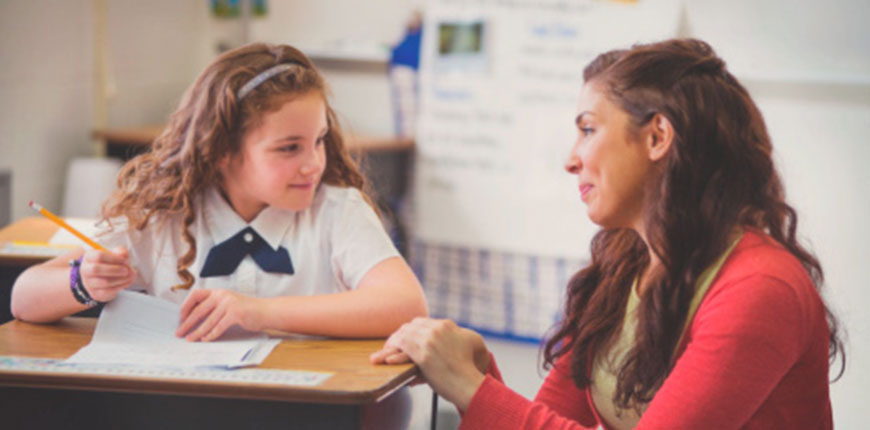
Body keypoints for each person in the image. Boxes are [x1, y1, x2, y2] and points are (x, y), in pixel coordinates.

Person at [371, 38, 844, 429]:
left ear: (658, 138)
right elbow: (550, 419)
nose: (571, 159)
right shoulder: (624, 265)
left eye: (588, 129)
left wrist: (469, 387)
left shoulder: (761, 287)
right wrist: (477, 376)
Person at [11, 43, 429, 342]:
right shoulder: (163, 216)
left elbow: (405, 305)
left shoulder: (336, 211)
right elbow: (23, 299)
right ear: (223, 151)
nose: (313, 162)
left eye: (319, 140)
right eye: (289, 148)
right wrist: (82, 282)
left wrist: (260, 312)